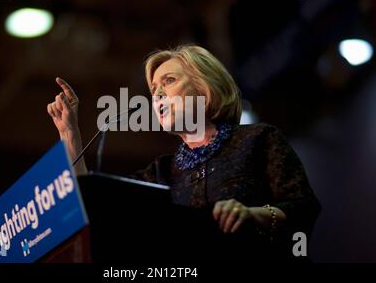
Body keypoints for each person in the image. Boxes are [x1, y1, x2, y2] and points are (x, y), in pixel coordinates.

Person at [47, 45, 321, 261]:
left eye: (169, 81)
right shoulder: (160, 173)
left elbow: (303, 209)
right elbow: (93, 207)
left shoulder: (258, 140)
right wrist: (70, 135)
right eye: (154, 89)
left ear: (204, 87)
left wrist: (252, 214)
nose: (157, 94)